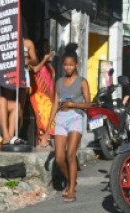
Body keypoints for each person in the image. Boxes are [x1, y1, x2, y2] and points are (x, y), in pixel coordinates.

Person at [48, 43, 90, 203]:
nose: (68, 67)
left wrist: (73, 105)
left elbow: (88, 104)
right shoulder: (58, 82)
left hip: (76, 118)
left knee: (70, 154)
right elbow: (54, 104)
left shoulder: (82, 81)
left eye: (71, 65)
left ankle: (71, 189)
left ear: (76, 65)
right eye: (65, 65)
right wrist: (47, 127)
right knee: (59, 158)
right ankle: (72, 179)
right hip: (61, 119)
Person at [30, 39, 56, 147]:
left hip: (49, 95)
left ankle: (48, 138)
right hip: (38, 95)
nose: (47, 48)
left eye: (48, 46)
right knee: (42, 118)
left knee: (51, 118)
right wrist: (44, 60)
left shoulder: (49, 63)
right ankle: (42, 139)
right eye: (44, 46)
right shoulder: (34, 61)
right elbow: (35, 70)